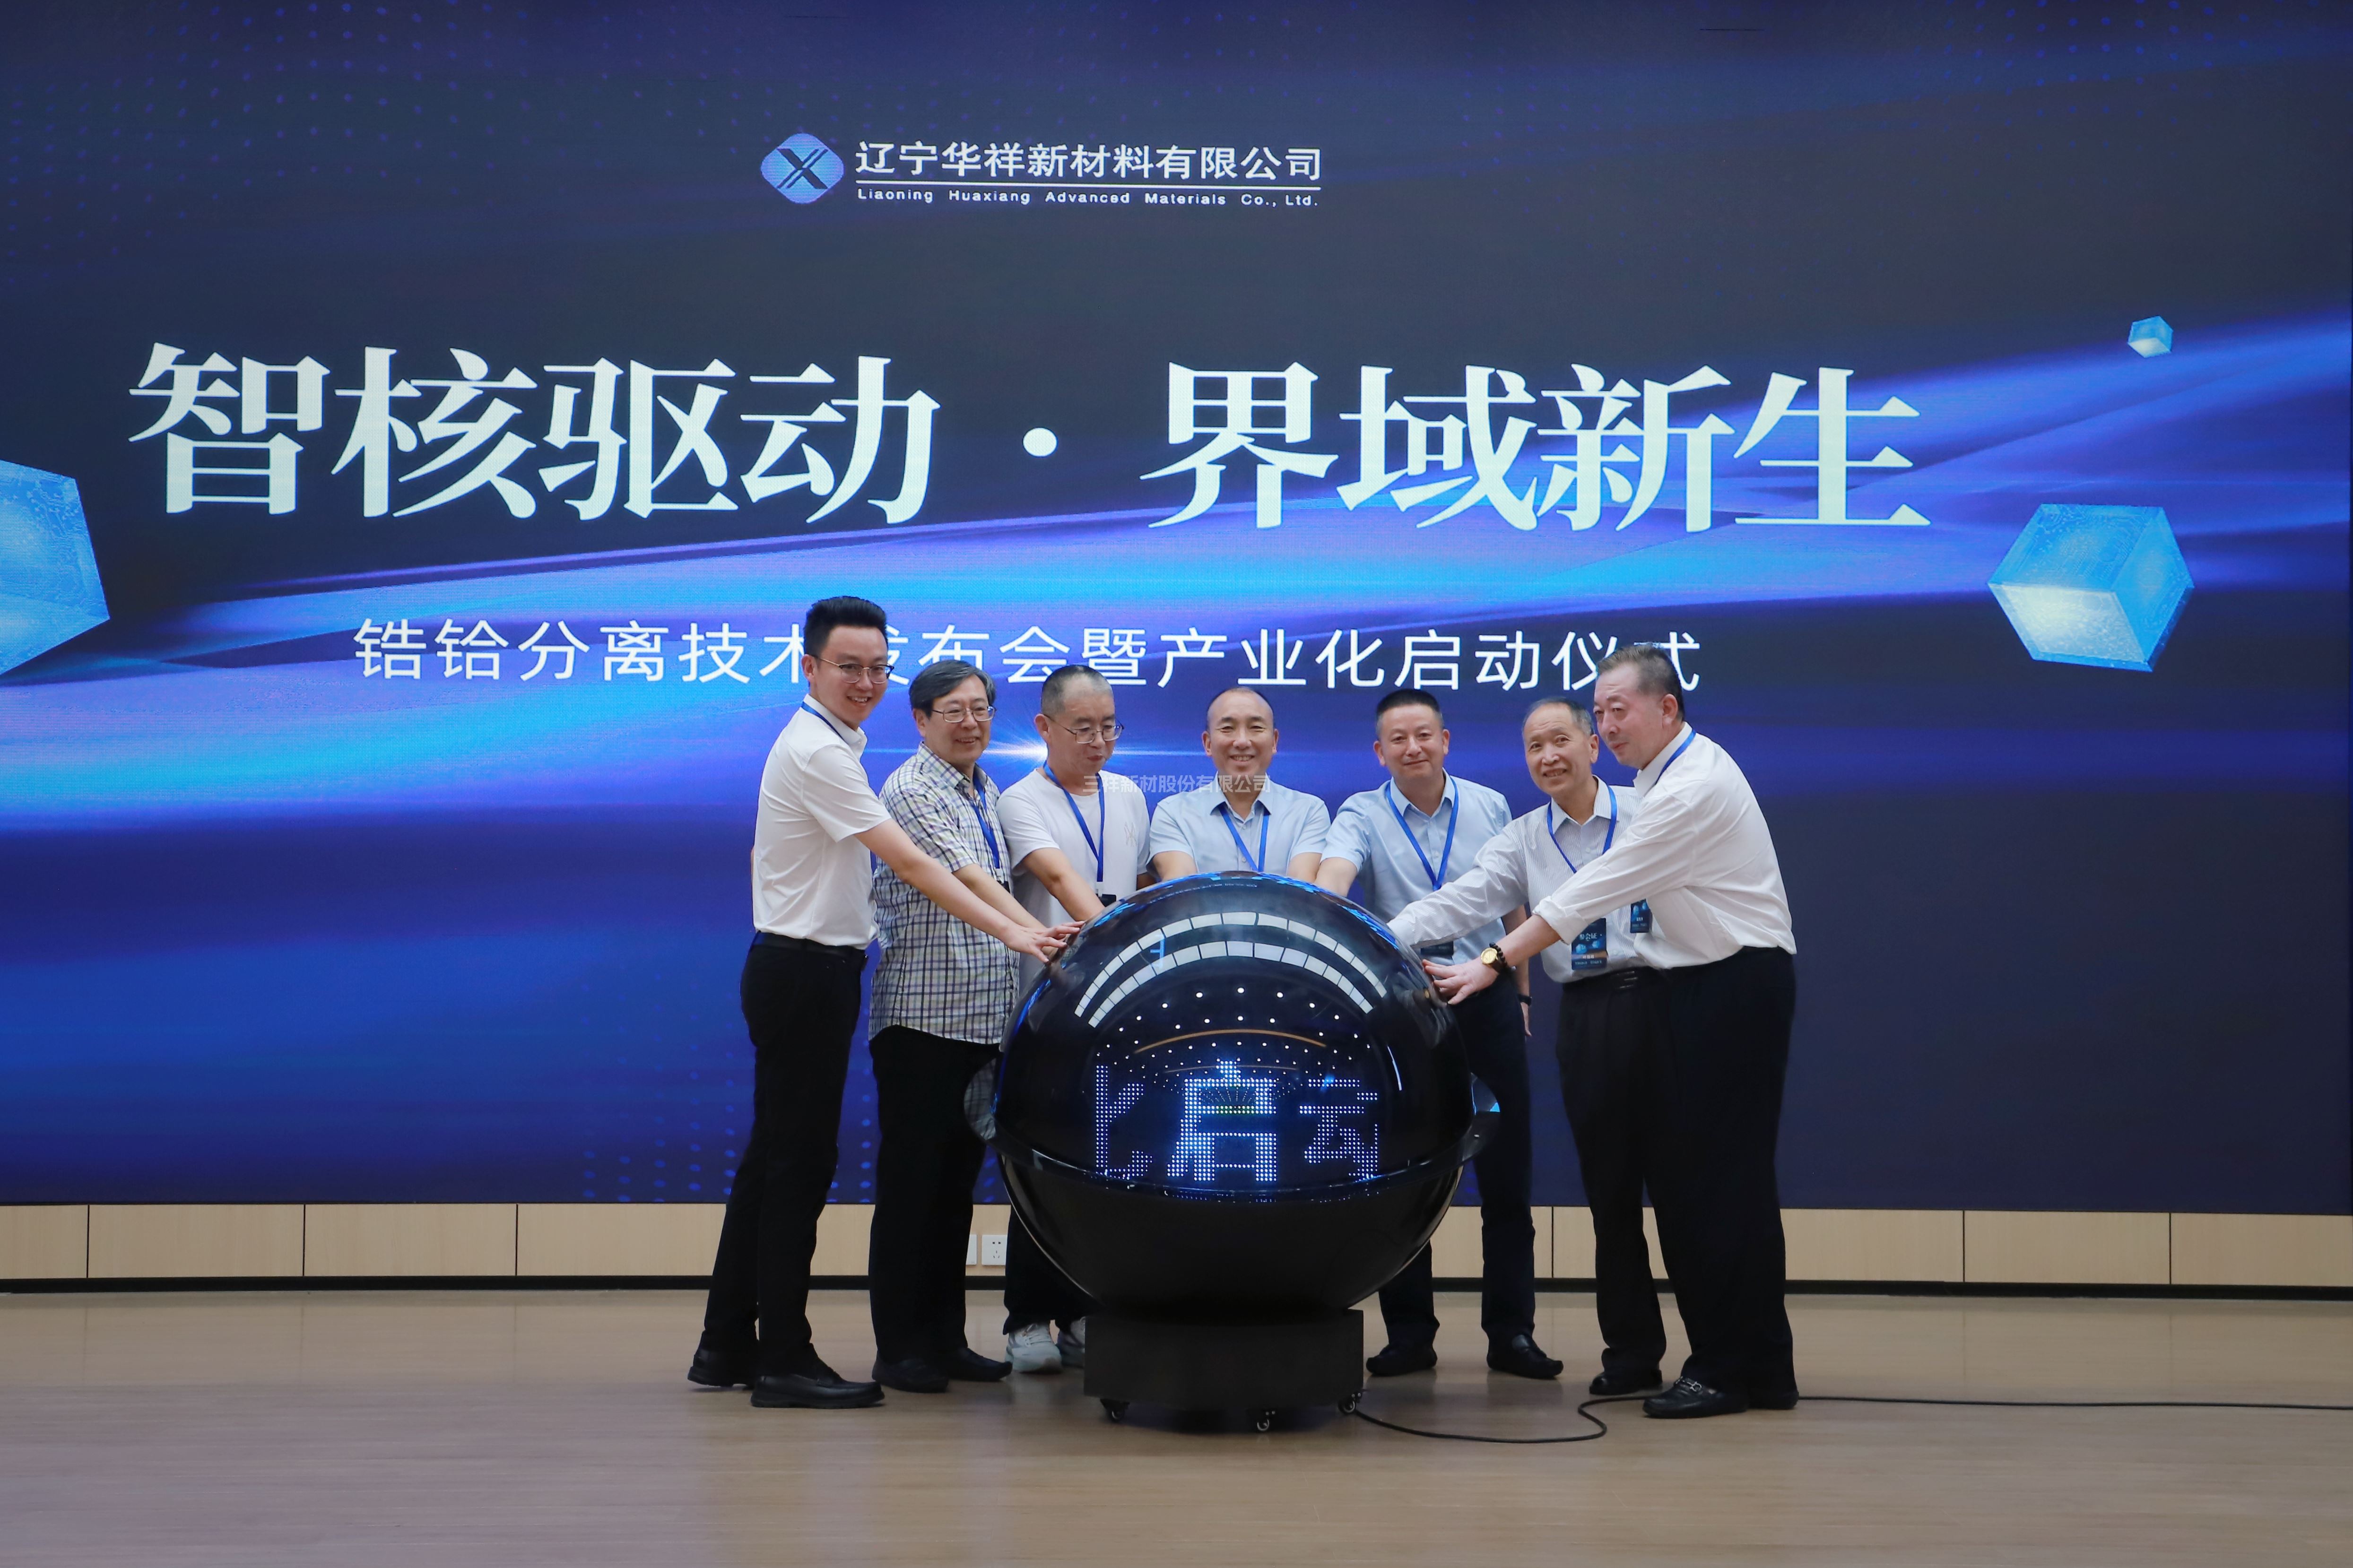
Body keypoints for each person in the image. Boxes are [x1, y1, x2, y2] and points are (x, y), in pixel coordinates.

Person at [691, 599, 1065, 1412]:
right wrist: (1018, 930)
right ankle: (782, 1356)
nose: (865, 681)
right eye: (848, 667)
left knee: (774, 1165)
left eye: (876, 668)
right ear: (810, 667)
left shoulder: (841, 747)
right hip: (806, 971)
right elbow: (920, 865)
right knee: (797, 1170)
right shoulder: (821, 753)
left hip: (814, 968)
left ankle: (724, 1345)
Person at [1426, 645, 1798, 1419]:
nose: (1607, 724)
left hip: (1729, 986)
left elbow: (1591, 891)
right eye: (1598, 710)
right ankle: (1754, 1367)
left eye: (1614, 712)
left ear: (1667, 708)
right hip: (1700, 989)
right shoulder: (1657, 780)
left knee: (1714, 1188)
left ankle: (1729, 1367)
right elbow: (1474, 894)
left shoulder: (1686, 789)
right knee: (1711, 1187)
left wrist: (1494, 959)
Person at [1386, 697, 1669, 1397]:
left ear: (1593, 745)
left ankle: (1717, 1358)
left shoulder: (1651, 811)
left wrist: (1495, 966)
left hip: (1670, 1002)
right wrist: (1383, 936)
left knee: (1685, 1187)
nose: (1549, 756)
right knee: (1609, 1192)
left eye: (1560, 740)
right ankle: (1632, 1355)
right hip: (1588, 1010)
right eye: (1535, 746)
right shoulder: (1523, 838)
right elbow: (1463, 899)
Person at [1313, 690, 1561, 1382]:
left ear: (1446, 740)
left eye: (1424, 734)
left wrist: (1520, 992)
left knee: (1507, 1177)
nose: (1413, 747)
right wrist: (1324, 904)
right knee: (1406, 1174)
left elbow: (1515, 906)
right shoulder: (1360, 813)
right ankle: (1409, 1335)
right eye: (1398, 739)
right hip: (1408, 1006)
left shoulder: (1489, 805)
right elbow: (1336, 877)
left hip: (1485, 993)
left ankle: (1512, 1333)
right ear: (1379, 751)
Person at [865, 659, 1076, 1395]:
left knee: (954, 1191)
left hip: (979, 1022)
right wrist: (1031, 934)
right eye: (953, 710)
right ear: (921, 720)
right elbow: (965, 876)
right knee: (912, 1190)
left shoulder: (984, 788)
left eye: (981, 708)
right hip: (923, 1019)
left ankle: (944, 1340)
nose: (971, 722)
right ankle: (900, 1348)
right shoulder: (912, 788)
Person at [992, 663, 1155, 1373]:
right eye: (1083, 728)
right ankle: (1027, 1317)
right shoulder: (1020, 800)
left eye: (1109, 727)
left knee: (1110, 1166)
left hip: (1118, 1014)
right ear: (1044, 727)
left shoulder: (1129, 795)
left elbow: (1142, 887)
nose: (1098, 742)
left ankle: (1089, 1311)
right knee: (1043, 1163)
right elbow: (1061, 880)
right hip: (1050, 1007)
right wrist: (1121, 952)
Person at [1148, 686, 1329, 881]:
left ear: (1274, 741)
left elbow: (1302, 890)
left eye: (1256, 728)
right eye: (1227, 729)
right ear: (1208, 744)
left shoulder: (1308, 812)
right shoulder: (1174, 813)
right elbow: (1183, 890)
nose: (1242, 742)